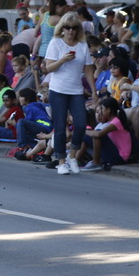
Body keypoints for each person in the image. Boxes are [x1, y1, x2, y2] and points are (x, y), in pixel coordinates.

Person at [44, 11, 96, 175]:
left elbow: (88, 69)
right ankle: (60, 162)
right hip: (58, 90)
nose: (71, 31)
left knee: (81, 124)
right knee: (60, 127)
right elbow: (48, 67)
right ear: (62, 28)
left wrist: (94, 90)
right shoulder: (56, 43)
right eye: (67, 27)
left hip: (76, 91)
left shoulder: (82, 45)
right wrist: (63, 60)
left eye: (74, 28)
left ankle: (72, 156)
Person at [80, 96, 132, 171]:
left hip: (120, 157)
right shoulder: (111, 121)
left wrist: (82, 130)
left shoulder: (116, 122)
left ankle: (95, 163)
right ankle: (76, 160)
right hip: (115, 153)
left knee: (97, 134)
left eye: (102, 109)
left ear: (108, 110)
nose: (101, 112)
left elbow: (98, 134)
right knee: (86, 137)